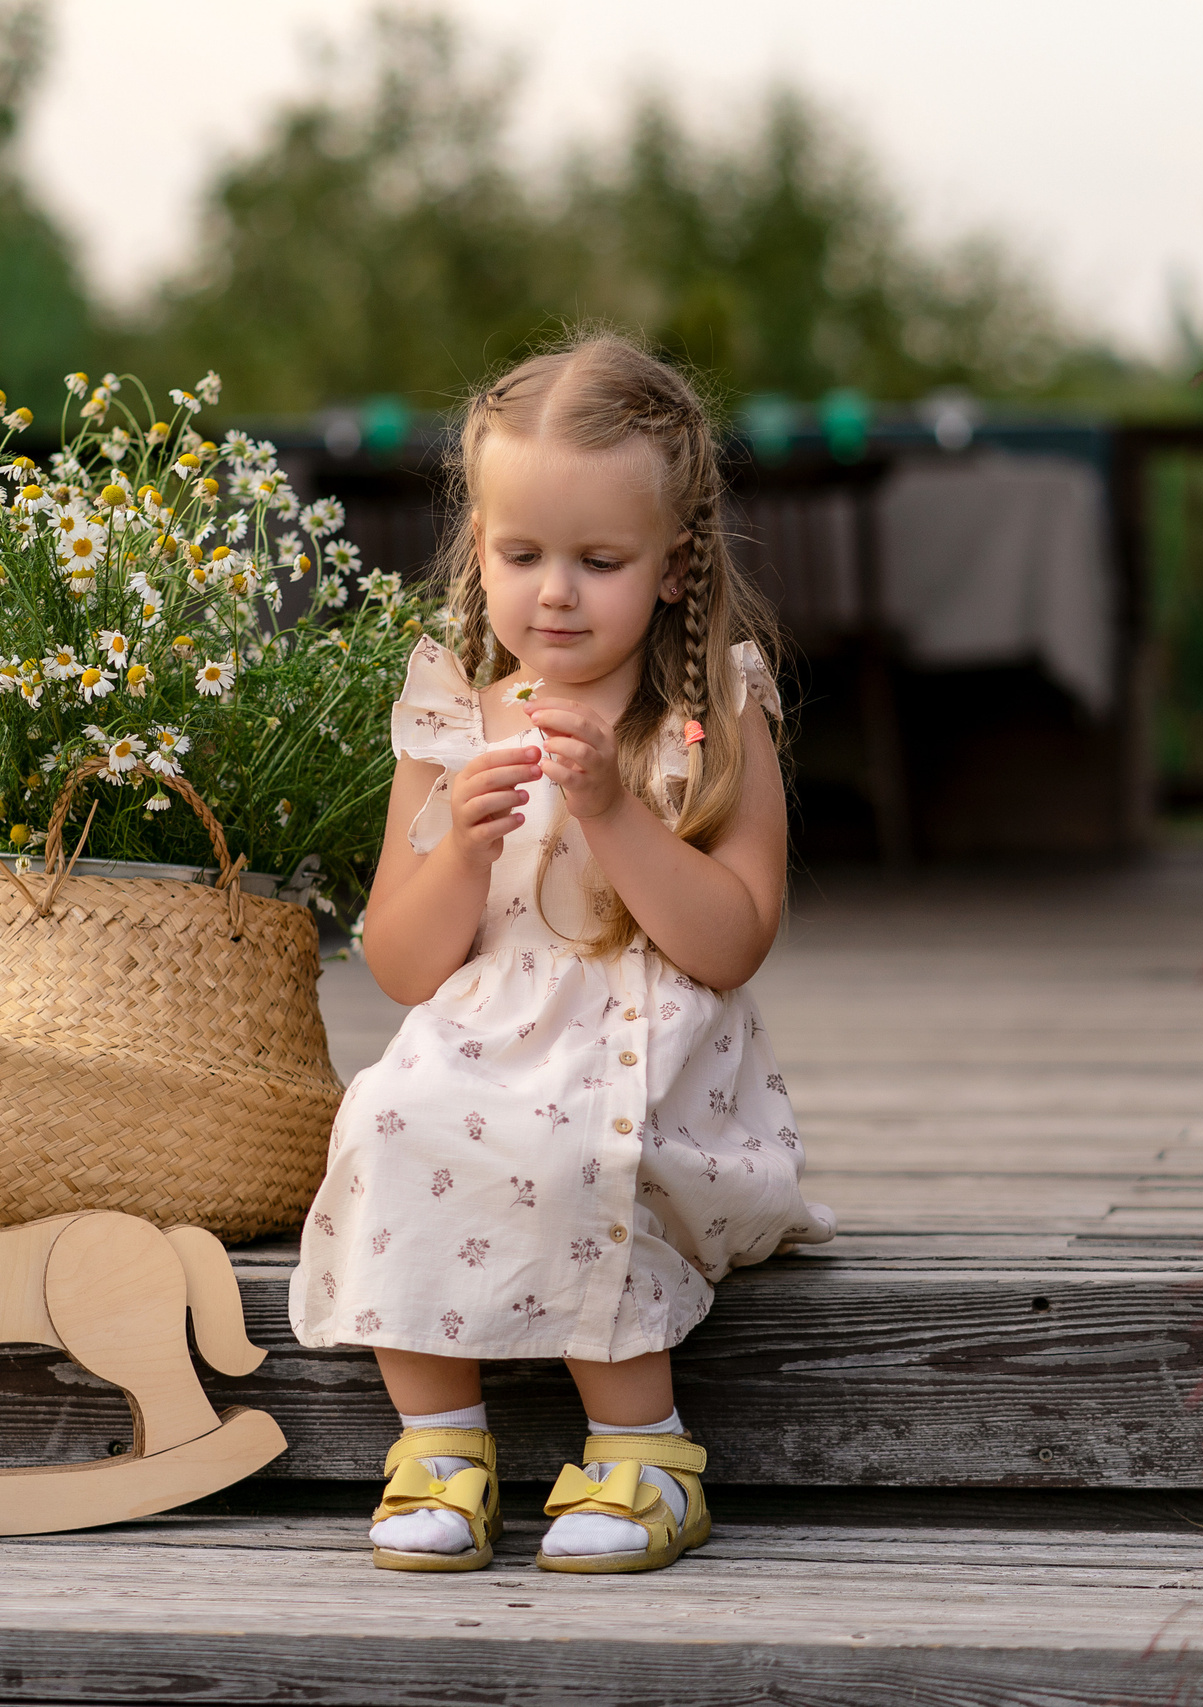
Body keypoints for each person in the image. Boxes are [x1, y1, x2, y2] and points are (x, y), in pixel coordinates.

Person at [287, 331, 835, 1575]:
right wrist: (462, 857)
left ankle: (645, 1446)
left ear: (675, 565)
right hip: (484, 1039)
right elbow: (402, 965)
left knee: (592, 1131)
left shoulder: (714, 711)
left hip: (651, 1041)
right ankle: (439, 1441)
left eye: (600, 561)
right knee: (389, 1113)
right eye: (520, 555)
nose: (555, 594)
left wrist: (611, 814)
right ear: (476, 551)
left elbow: (730, 941)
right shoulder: (448, 715)